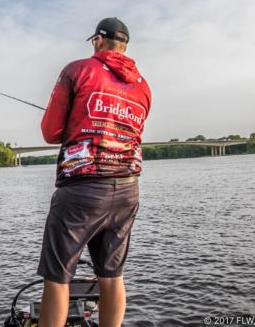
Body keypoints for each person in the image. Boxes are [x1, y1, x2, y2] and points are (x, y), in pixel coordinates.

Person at [37, 17, 152, 327]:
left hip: (82, 190)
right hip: (128, 188)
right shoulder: (143, 86)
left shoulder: (78, 70)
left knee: (58, 276)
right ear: (125, 46)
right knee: (112, 275)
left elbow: (50, 131)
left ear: (98, 41)